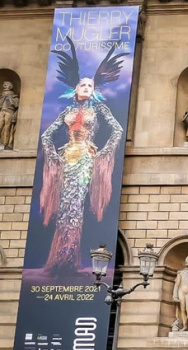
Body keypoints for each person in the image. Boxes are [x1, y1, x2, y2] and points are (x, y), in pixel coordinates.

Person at [39, 40, 125, 276]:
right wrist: (53, 155)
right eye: (83, 84)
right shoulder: (66, 112)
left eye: (90, 85)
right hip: (67, 156)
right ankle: (58, 257)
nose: (87, 87)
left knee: (75, 205)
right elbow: (47, 135)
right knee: (65, 206)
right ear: (75, 88)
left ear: (94, 89)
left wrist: (104, 153)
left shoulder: (98, 110)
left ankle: (69, 257)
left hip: (86, 158)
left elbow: (117, 130)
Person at [0, 81, 18, 150]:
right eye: (4, 84)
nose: (4, 85)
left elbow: (16, 105)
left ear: (10, 86)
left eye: (6, 84)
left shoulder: (14, 96)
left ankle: (6, 143)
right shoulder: (1, 96)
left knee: (7, 128)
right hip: (2, 112)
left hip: (9, 112)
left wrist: (9, 98)